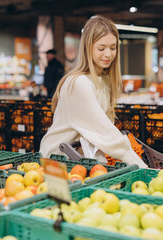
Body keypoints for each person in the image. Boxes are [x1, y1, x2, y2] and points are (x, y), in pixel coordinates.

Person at [39, 15, 148, 168]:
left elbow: (101, 135)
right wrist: (143, 168)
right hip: (59, 161)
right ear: (87, 47)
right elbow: (106, 133)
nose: (108, 54)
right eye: (101, 48)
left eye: (113, 47)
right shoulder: (79, 83)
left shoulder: (104, 80)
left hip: (82, 160)